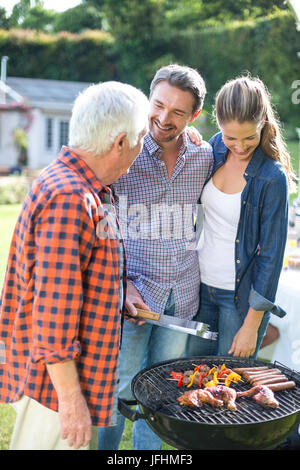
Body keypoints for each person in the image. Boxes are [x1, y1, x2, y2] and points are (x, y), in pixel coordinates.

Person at [0, 81, 149, 450]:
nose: (142, 147)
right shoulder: (71, 198)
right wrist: (70, 399)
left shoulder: (82, 185)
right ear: (119, 143)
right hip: (56, 387)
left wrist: (117, 293)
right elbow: (54, 311)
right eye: (141, 137)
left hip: (59, 378)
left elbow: (76, 278)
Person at [97, 64, 213, 450]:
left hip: (181, 294)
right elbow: (101, 223)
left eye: (179, 112)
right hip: (132, 294)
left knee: (163, 387)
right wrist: (120, 283)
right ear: (149, 100)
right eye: (159, 105)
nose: (164, 118)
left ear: (194, 116)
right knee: (120, 384)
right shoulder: (123, 150)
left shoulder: (203, 155)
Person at [187, 75, 296, 360]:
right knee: (190, 379)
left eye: (250, 137)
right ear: (219, 126)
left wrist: (252, 325)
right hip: (199, 290)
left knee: (227, 386)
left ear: (263, 123)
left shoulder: (272, 178)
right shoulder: (215, 148)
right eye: (230, 136)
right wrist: (188, 138)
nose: (239, 146)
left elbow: (271, 257)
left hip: (239, 303)